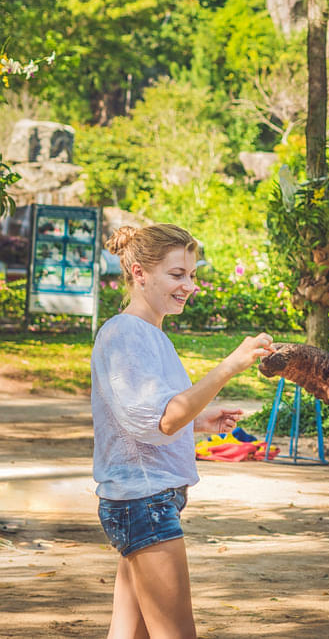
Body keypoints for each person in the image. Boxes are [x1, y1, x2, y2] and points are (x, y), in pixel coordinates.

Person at [92, 223, 274, 638]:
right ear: (139, 273)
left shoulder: (149, 335)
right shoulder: (125, 334)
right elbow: (164, 419)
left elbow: (153, 419)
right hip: (144, 503)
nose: (189, 285)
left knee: (128, 633)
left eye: (191, 275)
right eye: (177, 275)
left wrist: (198, 421)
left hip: (145, 501)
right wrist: (231, 365)